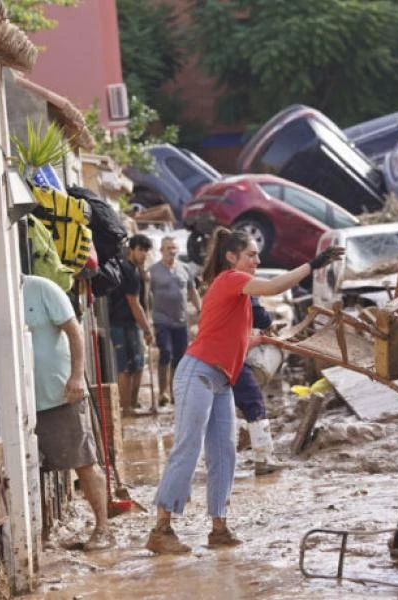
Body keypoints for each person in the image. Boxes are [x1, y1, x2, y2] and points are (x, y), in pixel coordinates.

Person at [145, 228, 344, 555]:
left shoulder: (237, 293)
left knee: (225, 452)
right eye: (251, 254)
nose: (257, 259)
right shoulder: (230, 279)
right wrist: (314, 264)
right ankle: (161, 528)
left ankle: (218, 528)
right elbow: (275, 285)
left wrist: (263, 340)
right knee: (188, 446)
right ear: (232, 257)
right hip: (197, 373)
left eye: (255, 255)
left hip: (221, 379)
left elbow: (233, 338)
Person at [22, 275, 112, 550]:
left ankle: (103, 529)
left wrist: (76, 377)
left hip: (60, 395)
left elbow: (75, 331)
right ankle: (42, 534)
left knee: (83, 461)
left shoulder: (41, 288)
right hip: (25, 402)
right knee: (33, 467)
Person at [149, 236, 202, 406]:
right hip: (161, 319)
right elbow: (145, 296)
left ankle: (175, 391)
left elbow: (192, 292)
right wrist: (146, 320)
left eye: (174, 248)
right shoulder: (153, 271)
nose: (171, 251)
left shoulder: (185, 268)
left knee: (180, 357)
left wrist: (201, 310)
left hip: (180, 320)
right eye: (168, 248)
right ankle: (163, 392)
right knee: (165, 352)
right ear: (161, 251)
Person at [233, 297, 282, 476]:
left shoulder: (218, 283)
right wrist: (265, 330)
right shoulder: (241, 283)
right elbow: (259, 315)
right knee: (253, 399)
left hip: (218, 355)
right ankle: (264, 458)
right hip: (231, 356)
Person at [108, 234, 154, 411]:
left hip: (130, 324)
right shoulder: (129, 271)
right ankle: (125, 407)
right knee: (126, 368)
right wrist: (147, 329)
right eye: (140, 250)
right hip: (123, 324)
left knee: (137, 366)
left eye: (146, 251)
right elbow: (134, 303)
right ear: (131, 250)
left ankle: (131, 404)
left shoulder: (133, 270)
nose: (143, 255)